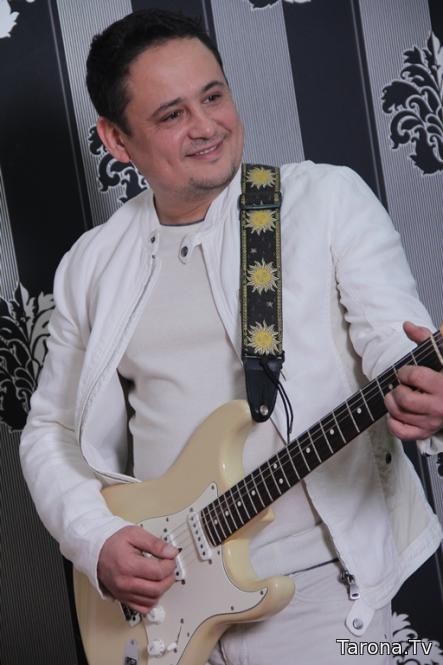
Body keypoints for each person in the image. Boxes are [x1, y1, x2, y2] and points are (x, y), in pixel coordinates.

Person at [20, 9, 443, 664]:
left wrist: (428, 391)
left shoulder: (325, 201)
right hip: (164, 604)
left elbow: (393, 338)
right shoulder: (93, 264)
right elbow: (52, 430)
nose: (206, 126)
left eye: (213, 96)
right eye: (172, 114)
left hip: (324, 590)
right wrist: (95, 538)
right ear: (116, 138)